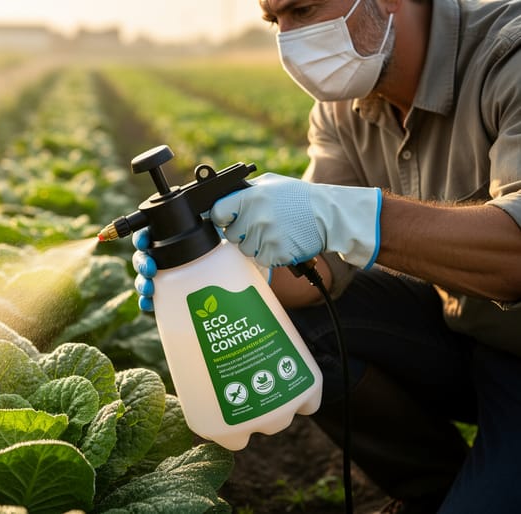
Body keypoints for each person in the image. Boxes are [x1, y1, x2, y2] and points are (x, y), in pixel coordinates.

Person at [131, 0, 521, 512]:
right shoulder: (342, 107)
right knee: (290, 320)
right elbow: (316, 271)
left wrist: (350, 215)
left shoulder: (507, 55)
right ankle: (438, 488)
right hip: (469, 332)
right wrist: (222, 268)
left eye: (304, 9)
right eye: (275, 21)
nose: (289, 41)